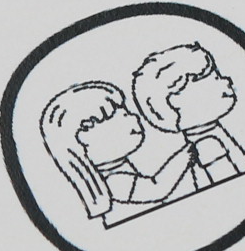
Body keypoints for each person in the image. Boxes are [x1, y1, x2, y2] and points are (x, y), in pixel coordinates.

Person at [38, 81, 190, 226]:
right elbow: (156, 190)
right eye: (122, 115)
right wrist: (185, 155)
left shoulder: (118, 168)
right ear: (84, 137)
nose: (134, 117)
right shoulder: (113, 180)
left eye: (127, 112)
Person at [130, 44, 245, 192]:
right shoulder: (208, 143)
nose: (227, 81)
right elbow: (232, 186)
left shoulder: (209, 136)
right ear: (176, 100)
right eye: (215, 78)